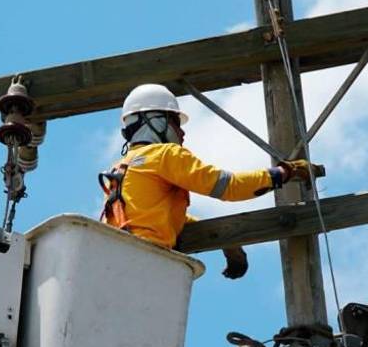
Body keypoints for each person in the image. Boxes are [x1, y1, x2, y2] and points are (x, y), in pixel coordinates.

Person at [100, 83, 312, 278]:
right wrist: (284, 173)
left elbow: (152, 216)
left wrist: (226, 241)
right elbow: (230, 186)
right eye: (174, 122)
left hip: (110, 264)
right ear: (154, 120)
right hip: (149, 262)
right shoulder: (165, 155)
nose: (181, 132)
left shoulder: (120, 168)